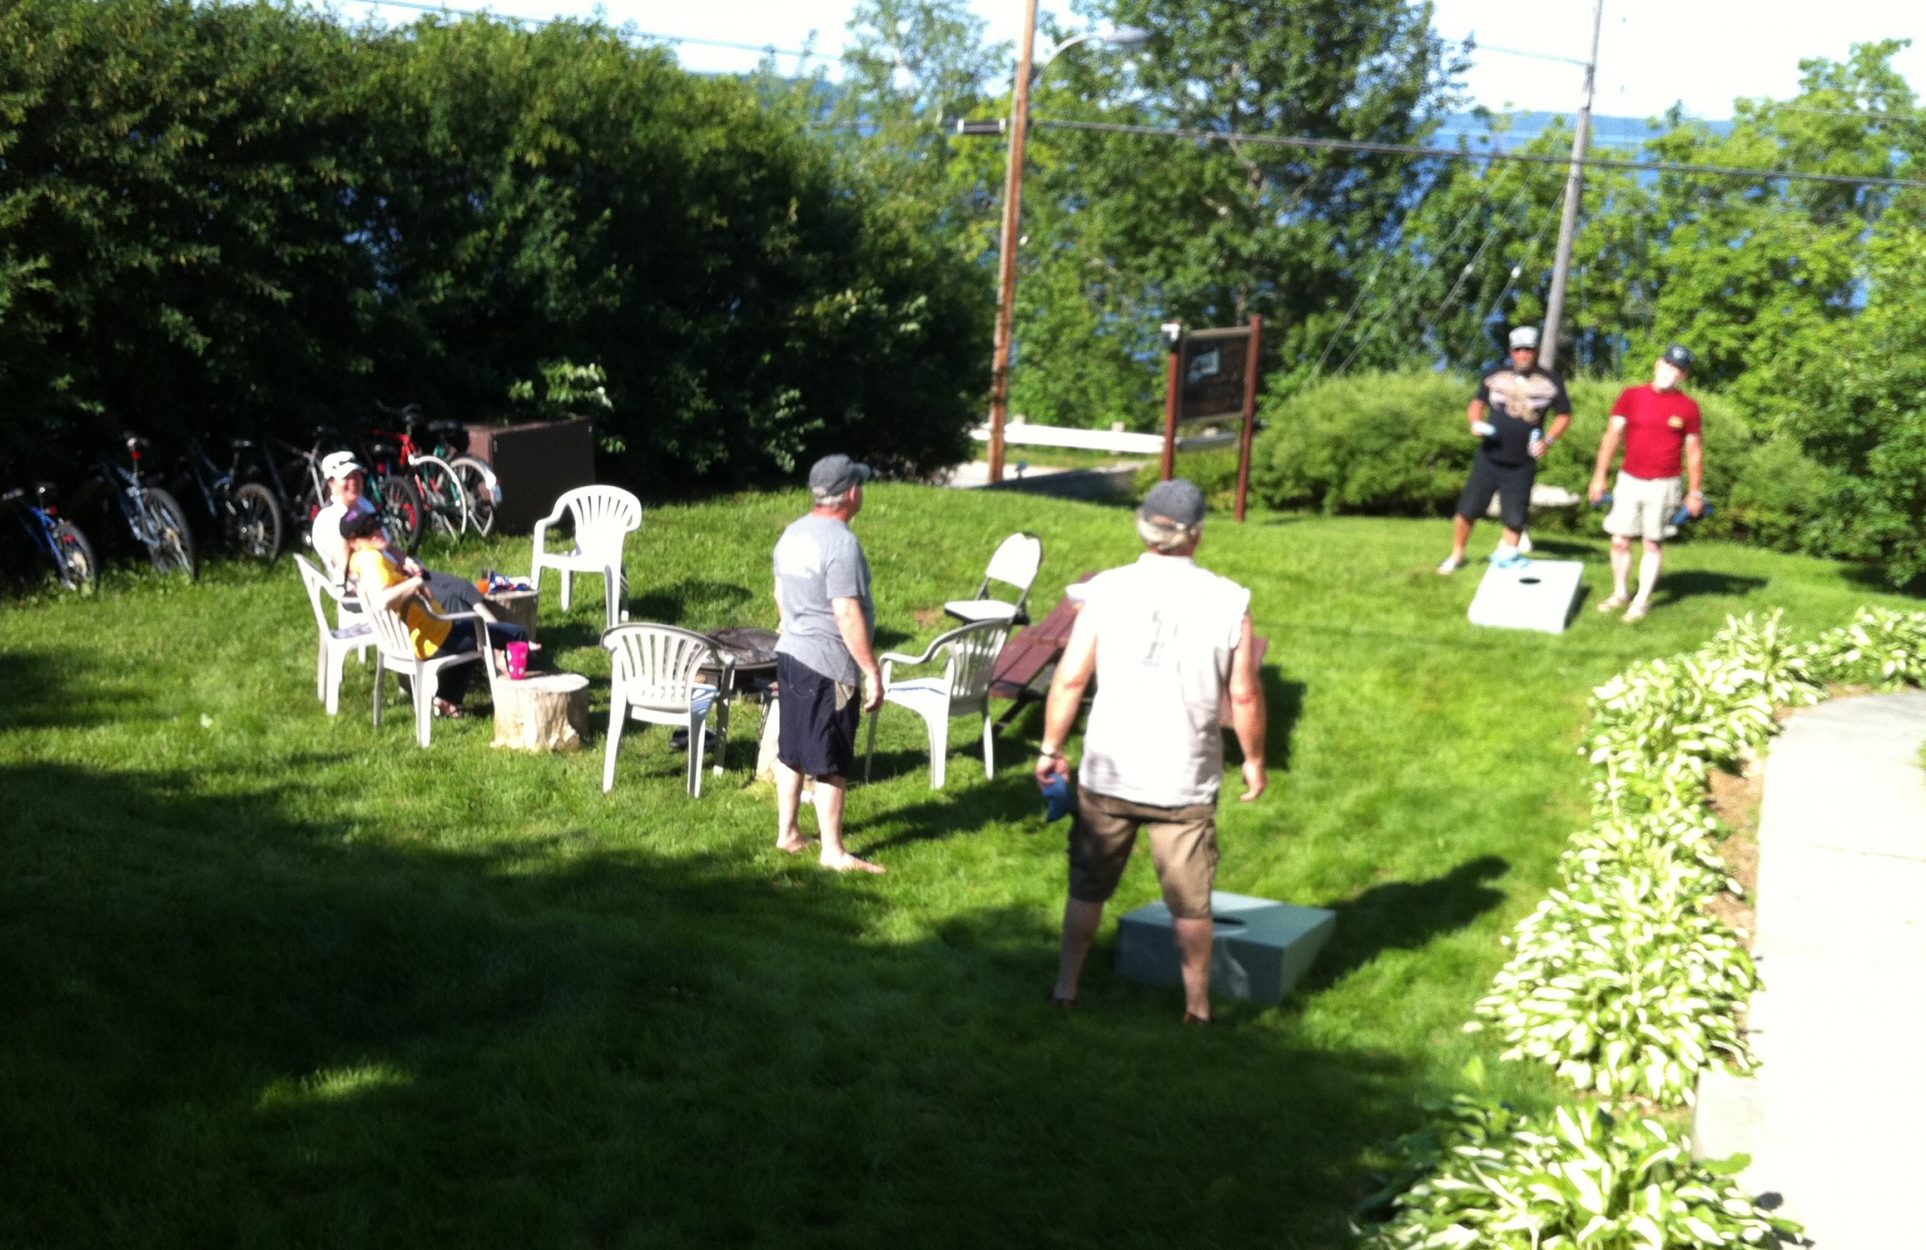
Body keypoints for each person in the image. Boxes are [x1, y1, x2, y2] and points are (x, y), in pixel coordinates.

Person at [1036, 479, 1267, 1023]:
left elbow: (1070, 680)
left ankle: (1066, 988)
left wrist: (1050, 747)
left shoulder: (1105, 589)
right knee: (1190, 904)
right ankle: (1197, 1007)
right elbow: (1244, 693)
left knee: (1087, 887)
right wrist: (1254, 760)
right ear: (1199, 535)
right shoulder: (1230, 600)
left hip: (1108, 774)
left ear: (1143, 526)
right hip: (1184, 781)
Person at [770, 453, 886, 875]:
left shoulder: (794, 533)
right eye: (860, 484)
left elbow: (780, 593)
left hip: (791, 652)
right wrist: (870, 670)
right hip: (828, 664)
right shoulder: (841, 543)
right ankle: (833, 852)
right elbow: (846, 612)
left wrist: (793, 625)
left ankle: (789, 833)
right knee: (831, 757)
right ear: (850, 492)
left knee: (793, 749)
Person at [341, 511, 528, 717]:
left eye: (375, 524)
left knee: (472, 634)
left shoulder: (360, 560)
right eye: (366, 531)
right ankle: (527, 700)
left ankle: (445, 700)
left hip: (427, 635)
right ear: (353, 541)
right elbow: (381, 601)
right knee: (516, 634)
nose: (375, 530)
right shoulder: (373, 561)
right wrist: (416, 582)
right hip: (435, 639)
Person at [1438, 325, 1573, 574]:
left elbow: (1564, 416)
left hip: (1522, 461)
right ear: (1511, 351)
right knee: (1468, 510)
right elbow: (1476, 404)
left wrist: (1549, 441)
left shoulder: (1551, 381)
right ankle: (1457, 555)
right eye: (1518, 350)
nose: (1523, 354)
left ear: (1537, 351)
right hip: (1489, 456)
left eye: (1528, 350)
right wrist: (1475, 423)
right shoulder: (1494, 375)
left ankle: (1507, 560)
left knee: (1515, 516)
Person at [1587, 343, 1704, 623]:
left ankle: (1641, 602)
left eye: (1677, 369)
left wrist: (1695, 493)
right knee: (1619, 540)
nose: (1670, 371)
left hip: (1665, 484)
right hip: (1628, 480)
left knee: (1652, 543)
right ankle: (1620, 593)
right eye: (1667, 364)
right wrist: (1599, 476)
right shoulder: (1631, 396)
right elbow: (1612, 437)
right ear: (1657, 364)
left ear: (1683, 376)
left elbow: (1694, 452)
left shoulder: (1688, 408)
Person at [311, 450, 488, 615]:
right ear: (331, 483)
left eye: (356, 475)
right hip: (379, 589)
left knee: (462, 587)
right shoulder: (329, 521)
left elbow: (386, 545)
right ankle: (481, 641)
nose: (354, 481)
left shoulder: (364, 505)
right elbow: (347, 567)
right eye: (346, 477)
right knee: (448, 599)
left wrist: (406, 560)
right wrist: (402, 575)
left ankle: (495, 638)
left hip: (399, 572)